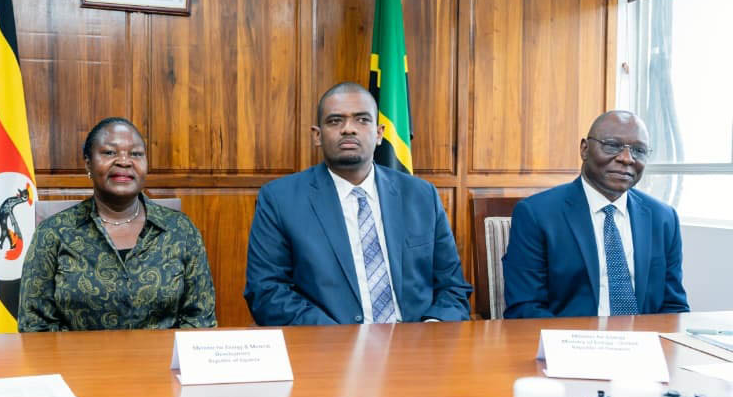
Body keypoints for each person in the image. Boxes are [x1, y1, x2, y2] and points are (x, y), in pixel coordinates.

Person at [244, 82, 472, 326]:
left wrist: (431, 330)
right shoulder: (280, 199)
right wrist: (340, 339)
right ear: (317, 135)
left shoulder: (421, 196)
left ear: (379, 133)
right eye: (335, 121)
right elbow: (266, 292)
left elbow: (453, 287)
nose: (348, 129)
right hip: (328, 350)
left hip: (417, 348)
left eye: (362, 120)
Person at [18, 117, 216, 331]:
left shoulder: (180, 229)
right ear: (88, 163)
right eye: (109, 153)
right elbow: (35, 325)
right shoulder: (54, 232)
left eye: (136, 154)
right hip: (76, 364)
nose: (124, 161)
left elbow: (200, 320)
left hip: (161, 363)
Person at [502, 110, 689, 318]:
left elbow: (674, 307)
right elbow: (525, 307)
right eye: (612, 145)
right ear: (584, 149)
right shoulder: (536, 214)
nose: (627, 159)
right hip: (569, 344)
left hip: (644, 345)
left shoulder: (663, 218)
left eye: (639, 150)